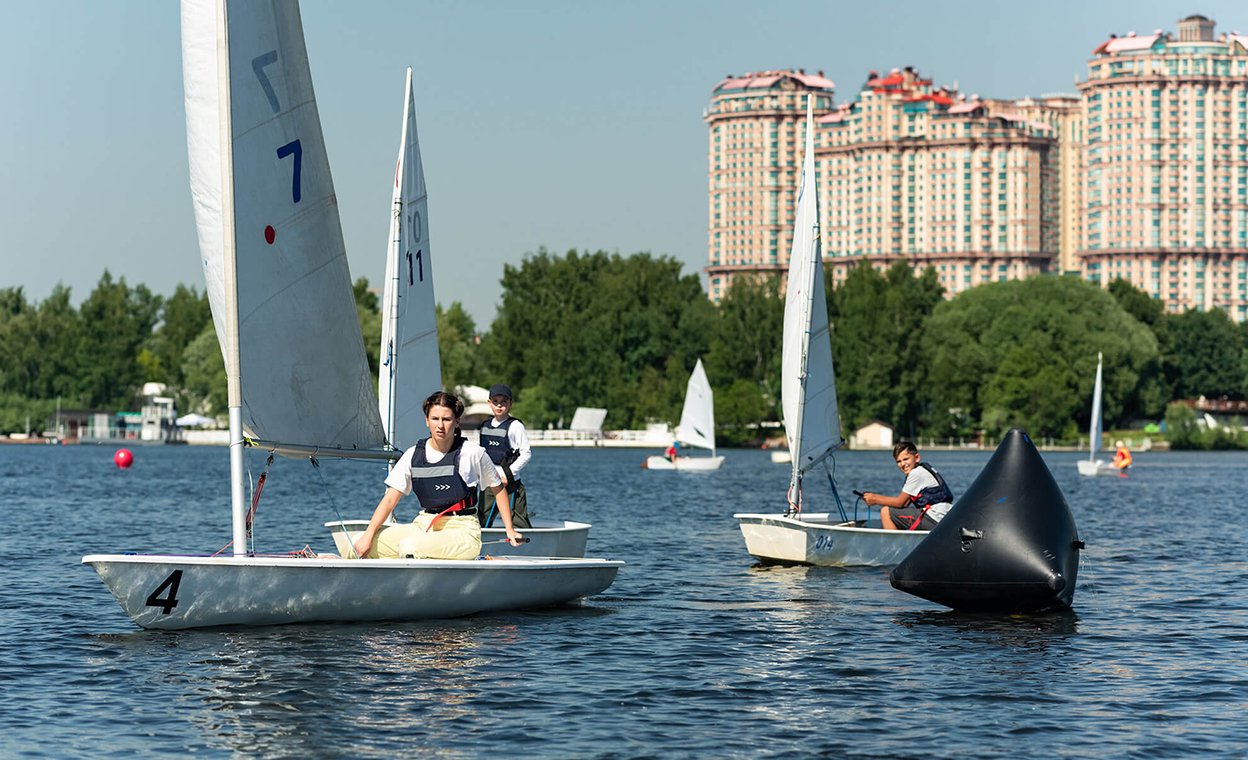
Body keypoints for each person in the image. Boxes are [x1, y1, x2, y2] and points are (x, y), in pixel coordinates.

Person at [351, 391, 523, 559]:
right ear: (427, 421)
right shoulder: (412, 455)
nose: (440, 425)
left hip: (463, 530)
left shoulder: (473, 453)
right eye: (435, 419)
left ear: (457, 422)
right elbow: (390, 499)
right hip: (425, 523)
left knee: (410, 546)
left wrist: (509, 529)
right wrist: (368, 536)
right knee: (355, 543)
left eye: (447, 419)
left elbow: (498, 489)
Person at [862, 440, 954, 531]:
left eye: (906, 459)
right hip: (944, 517)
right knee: (892, 511)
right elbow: (905, 504)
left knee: (885, 512)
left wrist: (875, 498)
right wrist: (876, 500)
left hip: (935, 517)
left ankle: (895, 545)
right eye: (898, 461)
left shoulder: (916, 473)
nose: (902, 464)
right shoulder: (921, 469)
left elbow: (899, 502)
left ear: (917, 457)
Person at [478, 383, 533, 528]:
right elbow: (480, 455)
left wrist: (508, 474)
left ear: (510, 404)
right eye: (495, 401)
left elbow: (526, 453)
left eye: (503, 401)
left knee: (518, 521)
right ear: (489, 403)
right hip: (489, 482)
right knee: (482, 520)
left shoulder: (515, 426)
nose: (499, 405)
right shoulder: (484, 425)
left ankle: (525, 546)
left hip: (511, 483)